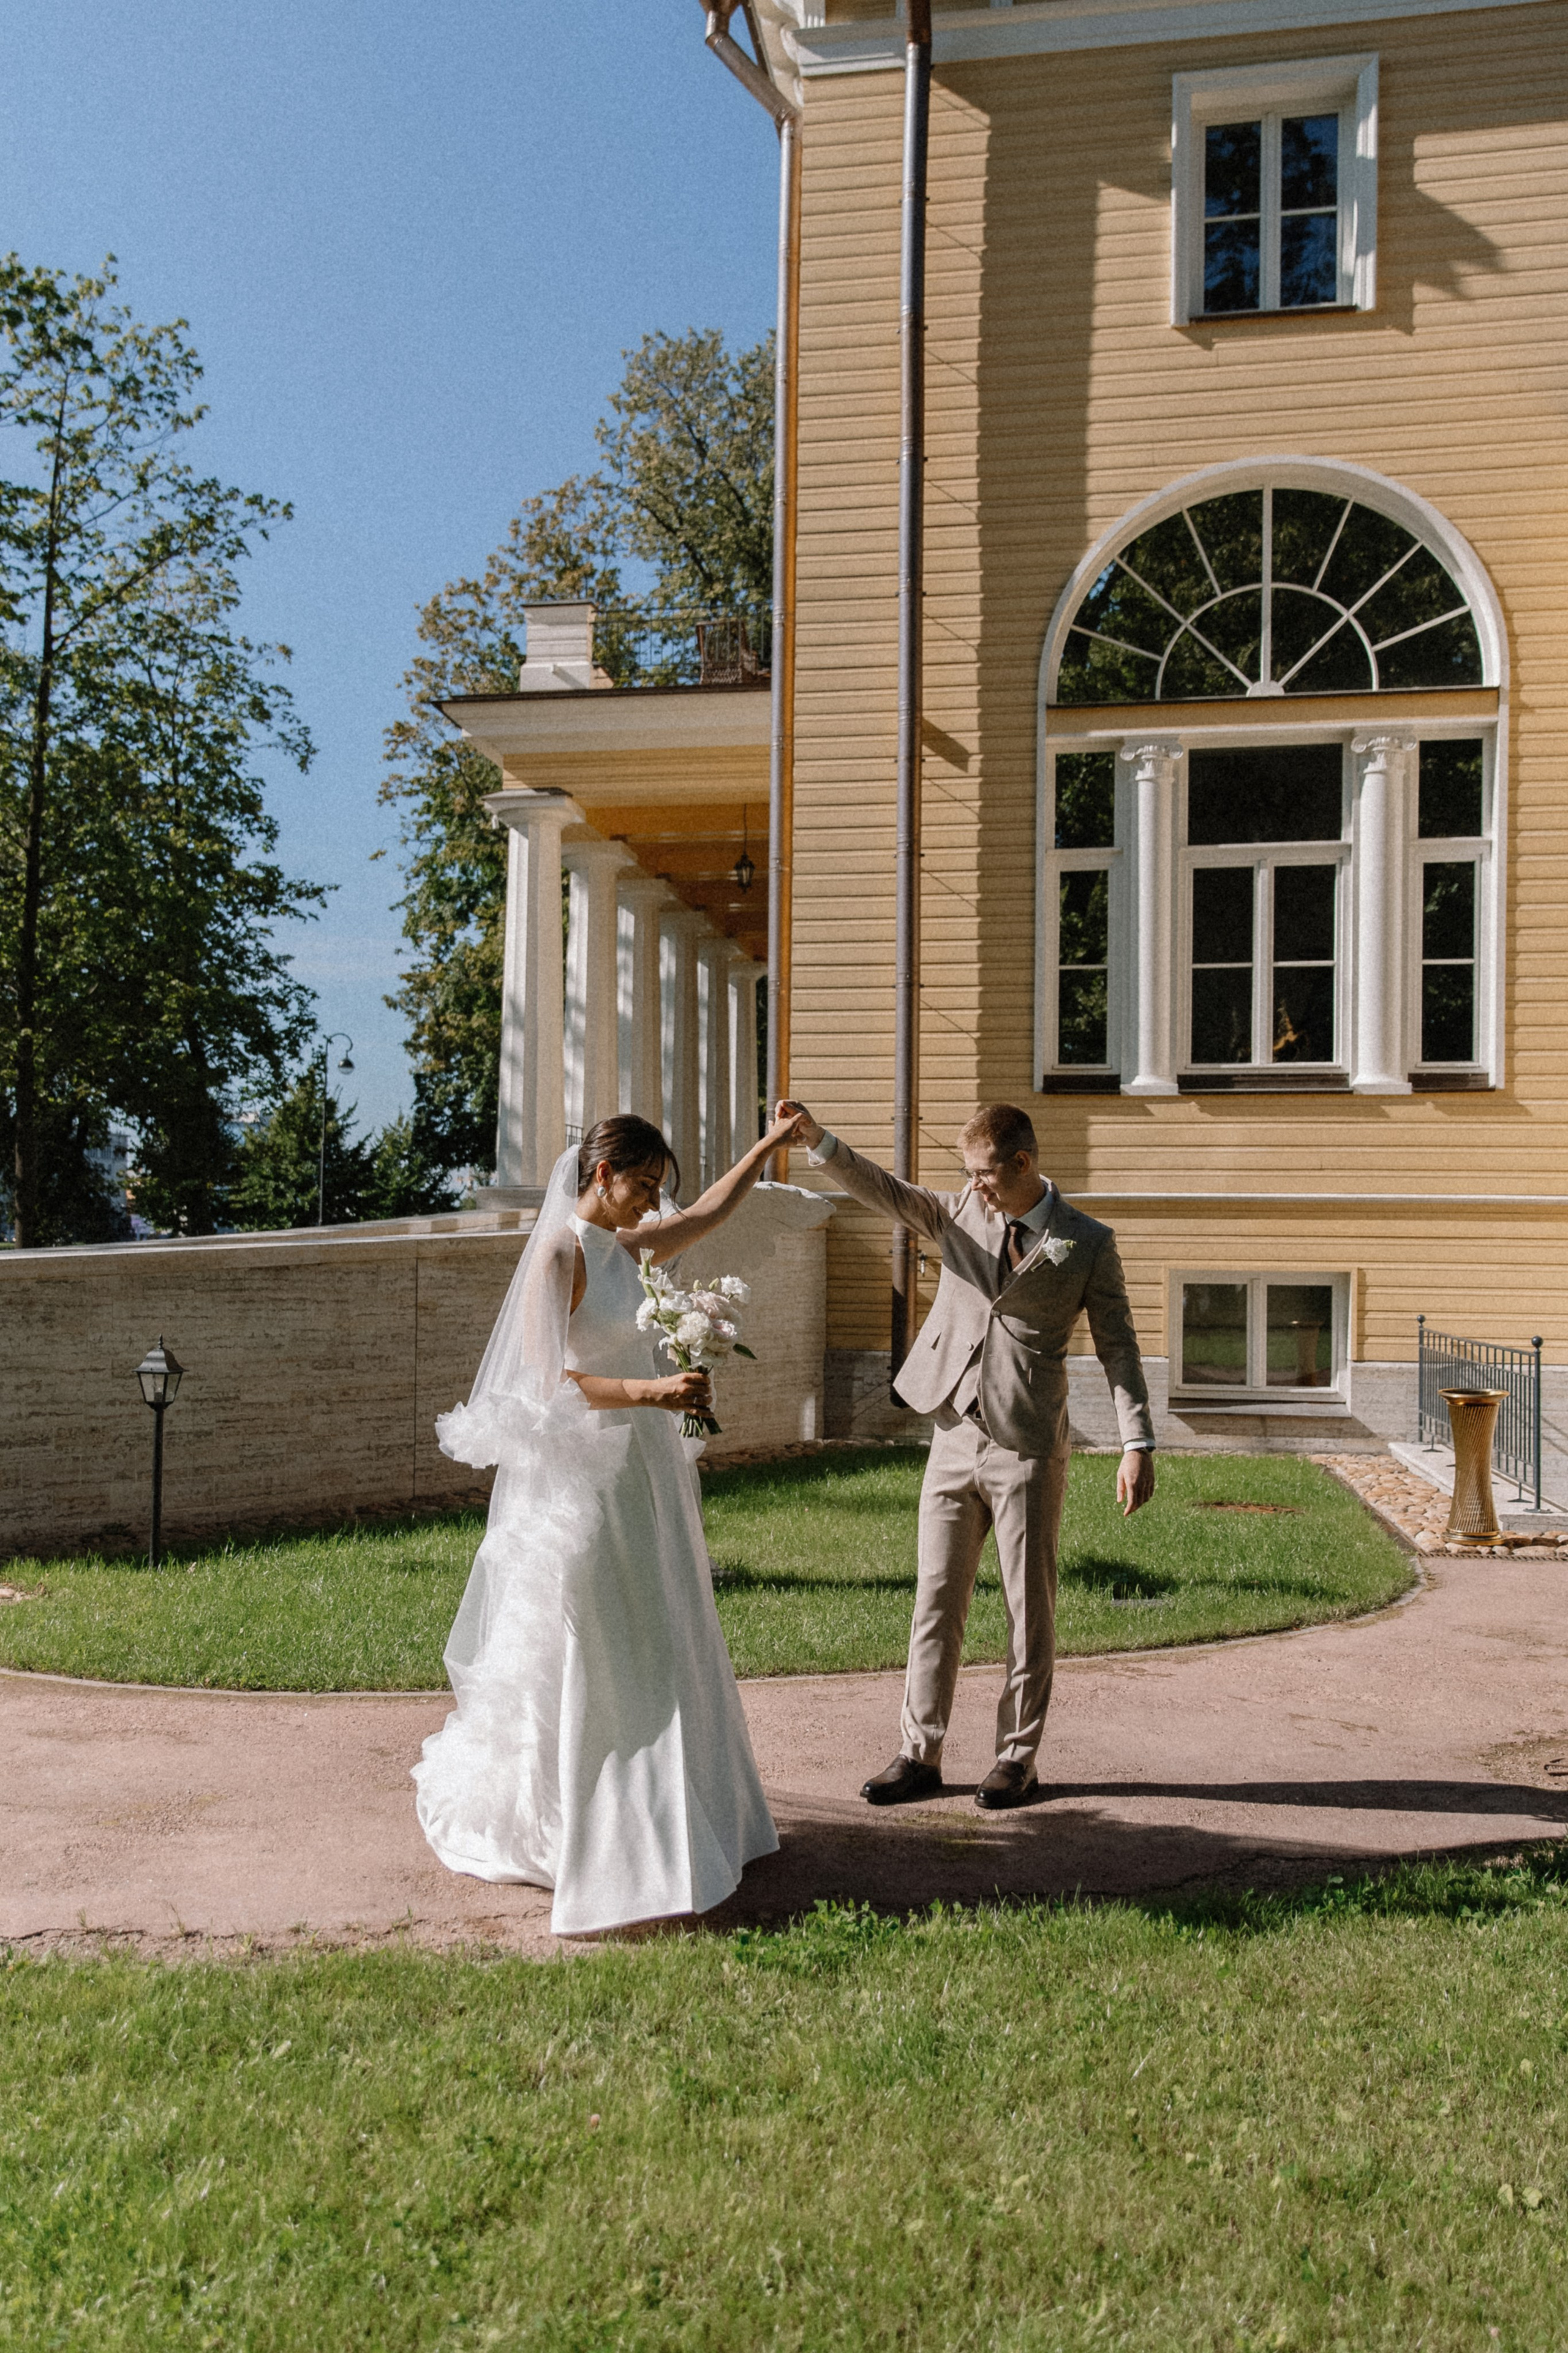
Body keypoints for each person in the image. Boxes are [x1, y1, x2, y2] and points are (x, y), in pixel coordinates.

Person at [413, 1106, 805, 1936]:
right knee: (605, 1637)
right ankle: (595, 1829)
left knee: (664, 1625)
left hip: (648, 1468)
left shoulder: (630, 1247)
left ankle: (686, 1816)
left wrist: (770, 1145)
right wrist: (651, 1391)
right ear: (601, 1173)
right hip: (587, 1472)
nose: (653, 1202)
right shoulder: (561, 1254)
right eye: (643, 1185)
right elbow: (544, 1380)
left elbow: (709, 1214)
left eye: (658, 1188)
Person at [777, 1099, 1155, 1811]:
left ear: (1022, 1163)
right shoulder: (958, 1214)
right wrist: (817, 1140)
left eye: (983, 1173)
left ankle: (1016, 1759)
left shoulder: (1086, 1243)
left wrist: (1136, 1442)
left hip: (1028, 1447)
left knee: (1027, 1607)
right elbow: (884, 1189)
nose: (974, 1185)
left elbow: (1120, 1349)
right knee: (935, 1600)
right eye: (968, 1174)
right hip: (952, 1435)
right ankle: (918, 1753)